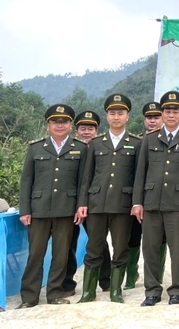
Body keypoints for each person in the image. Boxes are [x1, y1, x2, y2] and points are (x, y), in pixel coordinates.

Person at [132, 91, 179, 306]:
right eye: (167, 111)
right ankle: (152, 290)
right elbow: (140, 173)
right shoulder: (150, 139)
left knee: (178, 249)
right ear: (161, 114)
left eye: (175, 111)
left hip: (177, 204)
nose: (171, 115)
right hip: (151, 203)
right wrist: (137, 202)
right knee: (150, 249)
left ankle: (177, 290)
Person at [17, 104, 87, 308]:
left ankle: (55, 293)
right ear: (48, 125)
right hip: (38, 210)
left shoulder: (80, 148)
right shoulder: (35, 148)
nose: (59, 125)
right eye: (55, 121)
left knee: (61, 254)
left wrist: (81, 205)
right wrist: (25, 210)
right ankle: (29, 297)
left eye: (64, 121)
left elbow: (83, 181)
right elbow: (26, 181)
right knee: (35, 254)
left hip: (66, 209)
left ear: (70, 125)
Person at [76, 94, 141, 303]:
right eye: (112, 113)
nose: (116, 117)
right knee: (94, 248)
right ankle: (88, 292)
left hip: (122, 205)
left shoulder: (136, 143)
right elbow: (86, 177)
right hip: (96, 205)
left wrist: (137, 202)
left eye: (120, 113)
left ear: (127, 116)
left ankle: (115, 291)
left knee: (120, 248)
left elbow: (138, 177)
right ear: (106, 116)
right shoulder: (95, 144)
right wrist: (82, 204)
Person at [62, 110, 112, 296]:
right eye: (83, 128)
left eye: (90, 128)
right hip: (69, 204)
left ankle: (106, 280)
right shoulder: (72, 148)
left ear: (97, 131)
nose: (86, 132)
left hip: (93, 204)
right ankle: (67, 283)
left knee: (99, 243)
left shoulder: (101, 148)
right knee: (68, 244)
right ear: (76, 131)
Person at [124, 102, 165, 290]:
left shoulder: (166, 142)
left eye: (156, 117)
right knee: (133, 238)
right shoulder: (135, 141)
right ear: (144, 120)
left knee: (160, 240)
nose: (153, 121)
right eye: (150, 118)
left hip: (159, 199)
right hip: (135, 199)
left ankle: (158, 277)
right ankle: (131, 277)